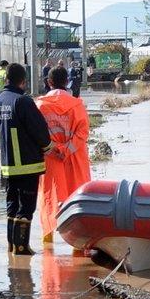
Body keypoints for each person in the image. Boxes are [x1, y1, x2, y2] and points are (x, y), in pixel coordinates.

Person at [0, 63, 52, 255]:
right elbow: (40, 130)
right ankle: (22, 247)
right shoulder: (23, 102)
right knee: (26, 206)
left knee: (11, 205)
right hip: (27, 165)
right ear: (23, 81)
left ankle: (12, 246)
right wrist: (48, 147)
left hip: (7, 165)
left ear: (6, 79)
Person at [35, 66, 91, 244]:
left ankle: (48, 239)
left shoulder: (40, 105)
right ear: (67, 81)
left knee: (49, 197)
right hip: (74, 159)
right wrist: (67, 149)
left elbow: (35, 134)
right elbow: (83, 132)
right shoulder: (77, 105)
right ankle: (79, 243)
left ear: (48, 82)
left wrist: (53, 148)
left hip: (49, 159)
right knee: (78, 198)